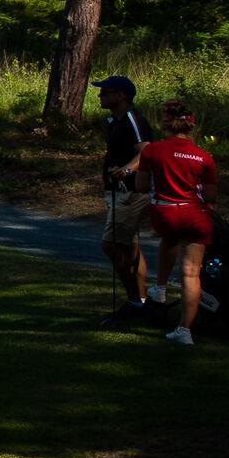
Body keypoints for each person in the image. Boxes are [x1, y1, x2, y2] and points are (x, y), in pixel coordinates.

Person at [133, 100, 218, 346]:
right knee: (191, 274)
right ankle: (185, 330)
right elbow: (211, 196)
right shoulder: (204, 156)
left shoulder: (153, 151)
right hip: (195, 215)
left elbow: (140, 186)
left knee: (169, 237)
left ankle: (159, 287)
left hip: (166, 213)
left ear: (167, 123)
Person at [92, 74, 156, 325]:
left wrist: (127, 169)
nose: (100, 96)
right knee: (130, 246)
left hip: (131, 191)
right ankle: (141, 301)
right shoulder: (112, 120)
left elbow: (147, 152)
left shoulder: (132, 118)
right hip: (115, 190)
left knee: (112, 245)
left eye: (106, 92)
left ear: (121, 96)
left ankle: (133, 301)